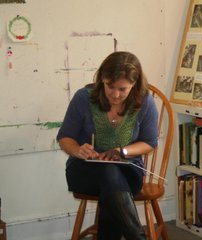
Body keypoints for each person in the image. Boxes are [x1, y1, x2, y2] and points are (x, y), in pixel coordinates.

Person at [56, 51, 159, 240]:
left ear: (134, 85)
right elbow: (64, 138)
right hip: (84, 170)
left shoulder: (145, 102)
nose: (115, 94)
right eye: (109, 86)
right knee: (109, 176)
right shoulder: (83, 98)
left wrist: (122, 151)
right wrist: (78, 150)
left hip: (128, 172)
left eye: (123, 89)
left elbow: (150, 142)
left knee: (111, 181)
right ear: (102, 78)